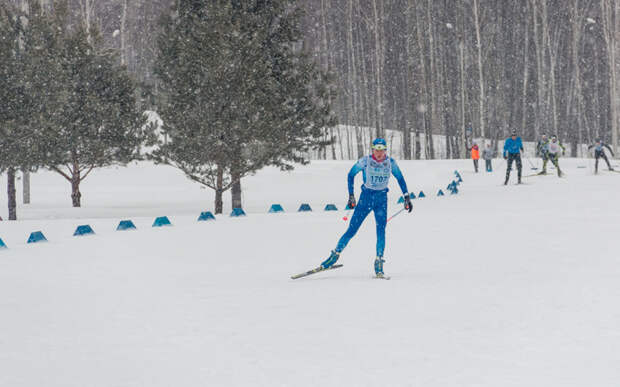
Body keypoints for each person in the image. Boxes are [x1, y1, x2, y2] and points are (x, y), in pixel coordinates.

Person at [320, 138, 411, 278]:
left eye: (382, 150)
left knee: (381, 230)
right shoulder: (365, 161)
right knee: (352, 229)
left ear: (385, 150)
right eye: (376, 150)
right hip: (366, 198)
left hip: (381, 200)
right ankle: (334, 256)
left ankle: (379, 261)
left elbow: (400, 178)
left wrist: (406, 196)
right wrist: (351, 195)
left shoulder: (391, 163)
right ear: (373, 150)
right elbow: (350, 175)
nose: (379, 153)